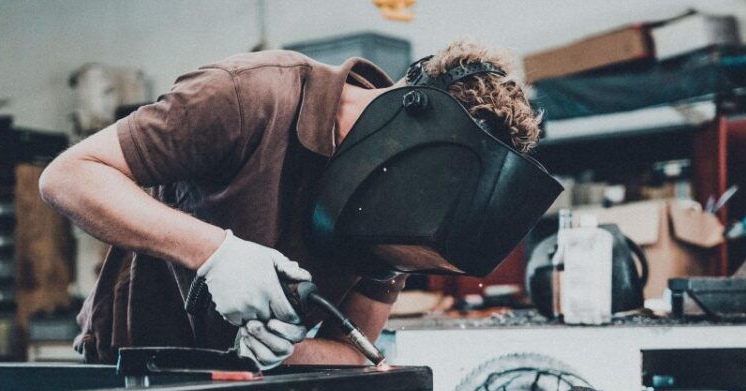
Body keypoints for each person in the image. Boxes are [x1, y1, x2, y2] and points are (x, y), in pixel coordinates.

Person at [39, 39, 542, 369]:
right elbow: (69, 176)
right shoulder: (248, 96)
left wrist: (287, 354)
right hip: (129, 371)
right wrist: (216, 254)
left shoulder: (415, 199)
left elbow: (355, 349)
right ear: (411, 120)